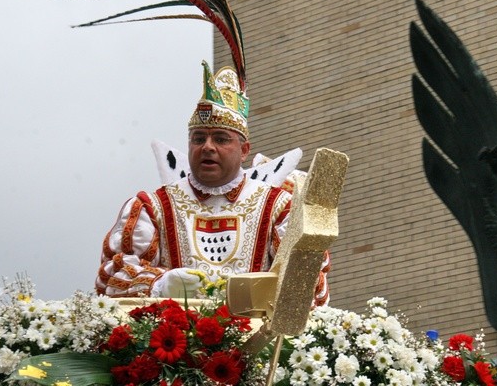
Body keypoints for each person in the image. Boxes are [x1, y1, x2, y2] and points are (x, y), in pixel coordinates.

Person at [95, 62, 330, 305]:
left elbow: (309, 286)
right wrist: (162, 284)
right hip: (172, 339)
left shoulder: (280, 207)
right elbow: (112, 276)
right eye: (199, 138)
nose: (207, 146)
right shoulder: (151, 207)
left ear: (244, 151)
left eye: (220, 138)